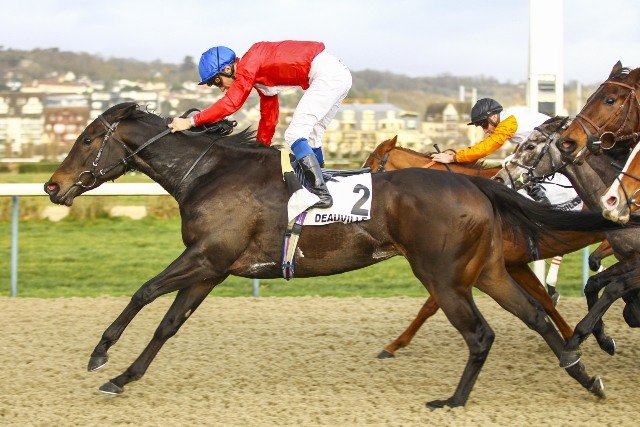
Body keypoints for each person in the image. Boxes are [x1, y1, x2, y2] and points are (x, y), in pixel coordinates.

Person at [168, 41, 353, 209]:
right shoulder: (260, 76)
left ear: (227, 69)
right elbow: (269, 119)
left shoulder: (251, 62)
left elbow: (231, 103)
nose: (221, 88)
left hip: (327, 75)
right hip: (337, 74)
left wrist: (191, 121)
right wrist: (259, 152)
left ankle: (320, 195)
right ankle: (320, 185)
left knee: (295, 134)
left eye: (217, 81)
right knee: (312, 136)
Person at [432, 98, 552, 204]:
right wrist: (457, 154)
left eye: (483, 124)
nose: (485, 130)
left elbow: (486, 148)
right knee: (513, 161)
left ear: (494, 117)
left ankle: (544, 203)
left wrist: (453, 158)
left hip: (553, 146)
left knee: (509, 163)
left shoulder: (508, 123)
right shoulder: (508, 119)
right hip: (549, 144)